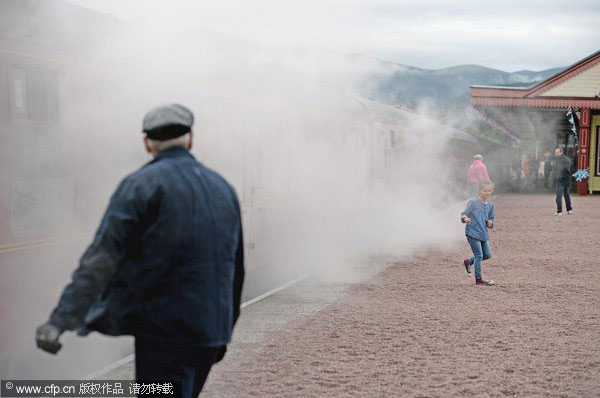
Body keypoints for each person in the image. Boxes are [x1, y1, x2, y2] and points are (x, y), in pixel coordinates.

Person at [35, 104, 245, 397]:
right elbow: (235, 267)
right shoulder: (223, 188)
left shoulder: (140, 185)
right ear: (191, 138)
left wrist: (61, 319)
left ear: (147, 143)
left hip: (165, 333)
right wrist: (224, 330)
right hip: (209, 331)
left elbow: (102, 258)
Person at [461, 180, 495, 286]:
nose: (487, 192)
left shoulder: (490, 205)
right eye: (485, 190)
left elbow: (491, 220)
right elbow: (463, 214)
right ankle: (479, 280)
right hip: (472, 232)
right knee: (479, 255)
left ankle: (469, 262)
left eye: (489, 190)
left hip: (483, 234)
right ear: (479, 191)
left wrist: (490, 223)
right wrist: (465, 218)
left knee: (488, 255)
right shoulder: (473, 202)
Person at [552, 147, 573, 216]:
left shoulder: (558, 159)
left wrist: (554, 175)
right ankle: (569, 209)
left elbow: (556, 169)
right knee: (566, 194)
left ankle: (559, 211)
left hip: (561, 179)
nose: (556, 153)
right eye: (556, 152)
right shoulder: (568, 159)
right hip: (568, 179)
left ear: (561, 152)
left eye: (557, 152)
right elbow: (570, 169)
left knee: (559, 195)